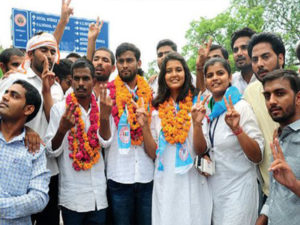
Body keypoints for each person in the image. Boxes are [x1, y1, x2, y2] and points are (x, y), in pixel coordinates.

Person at [134, 52, 212, 225]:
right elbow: (153, 154)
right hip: (166, 180)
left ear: (185, 73)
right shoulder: (155, 109)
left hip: (192, 180)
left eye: (178, 69)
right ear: (163, 76)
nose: (174, 74)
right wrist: (145, 126)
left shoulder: (196, 103)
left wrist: (197, 124)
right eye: (169, 71)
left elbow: (200, 150)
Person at [198, 57, 264, 225]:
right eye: (210, 75)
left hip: (239, 190)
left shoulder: (241, 106)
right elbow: (205, 147)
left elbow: (257, 156)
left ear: (229, 78)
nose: (215, 78)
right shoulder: (204, 109)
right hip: (214, 191)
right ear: (205, 81)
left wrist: (237, 130)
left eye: (220, 73)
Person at [45, 58, 107, 225]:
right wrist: (62, 129)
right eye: (76, 79)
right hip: (72, 197)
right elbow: (51, 151)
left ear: (93, 81)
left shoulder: (103, 107)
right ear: (70, 81)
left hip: (98, 196)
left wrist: (105, 118)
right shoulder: (60, 109)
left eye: (85, 78)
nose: (80, 83)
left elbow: (106, 142)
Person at [99, 42, 154, 225]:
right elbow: (104, 142)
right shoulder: (106, 94)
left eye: (129, 60)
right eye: (121, 61)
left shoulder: (151, 95)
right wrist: (105, 117)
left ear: (138, 63)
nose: (124, 65)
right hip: (119, 176)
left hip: (147, 176)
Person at [0, 80, 50, 225]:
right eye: (6, 92)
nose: (5, 97)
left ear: (28, 109)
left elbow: (39, 198)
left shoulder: (35, 149)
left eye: (14, 95)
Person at [244, 32, 285, 206]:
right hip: (270, 192)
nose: (260, 64)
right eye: (255, 59)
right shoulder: (250, 92)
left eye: (265, 57)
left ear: (281, 58)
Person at [256, 69, 300, 225]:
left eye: (279, 94)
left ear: (298, 98)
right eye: (267, 96)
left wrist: (294, 184)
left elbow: (290, 184)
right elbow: (277, 190)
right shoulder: (279, 136)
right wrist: (262, 218)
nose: (271, 101)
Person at [230, 27, 257, 94]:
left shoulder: (264, 78)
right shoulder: (231, 81)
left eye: (244, 48)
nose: (239, 53)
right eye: (235, 50)